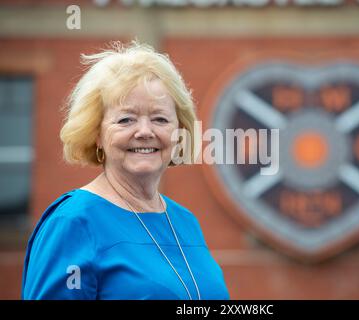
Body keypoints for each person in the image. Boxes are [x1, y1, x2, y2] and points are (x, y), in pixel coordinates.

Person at [22, 41, 230, 300]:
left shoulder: (186, 222)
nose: (145, 132)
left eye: (160, 119)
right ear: (96, 133)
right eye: (126, 119)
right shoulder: (73, 223)